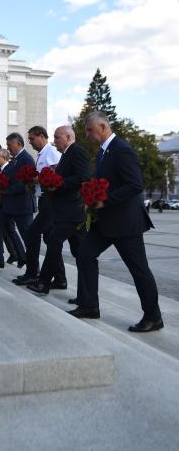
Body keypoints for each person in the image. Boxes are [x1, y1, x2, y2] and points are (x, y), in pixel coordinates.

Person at [70, 111, 163, 333]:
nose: (87, 134)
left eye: (90, 130)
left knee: (139, 270)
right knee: (84, 254)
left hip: (126, 224)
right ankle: (89, 306)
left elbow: (135, 185)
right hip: (106, 221)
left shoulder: (122, 150)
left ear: (103, 127)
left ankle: (153, 317)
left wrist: (104, 201)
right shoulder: (104, 152)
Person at [28, 125, 91, 296]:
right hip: (66, 210)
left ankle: (43, 283)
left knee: (54, 241)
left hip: (71, 210)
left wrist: (58, 183)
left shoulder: (76, 151)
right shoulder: (67, 154)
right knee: (79, 252)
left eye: (57, 137)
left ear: (69, 138)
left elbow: (83, 176)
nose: (54, 141)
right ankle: (83, 295)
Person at [12, 125, 62, 287]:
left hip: (51, 200)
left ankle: (33, 273)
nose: (31, 143)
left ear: (42, 136)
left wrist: (36, 180)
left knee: (33, 233)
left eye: (32, 139)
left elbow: (56, 174)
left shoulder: (52, 152)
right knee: (50, 239)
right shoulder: (41, 154)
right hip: (43, 199)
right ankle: (60, 278)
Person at [0, 133, 34, 268]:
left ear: (18, 144)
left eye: (9, 145)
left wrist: (5, 191)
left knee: (28, 237)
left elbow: (25, 183)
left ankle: (33, 270)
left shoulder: (26, 159)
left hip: (20, 205)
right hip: (9, 203)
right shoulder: (16, 159)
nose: (8, 148)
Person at [0, 141, 18, 264]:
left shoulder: (9, 168)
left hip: (6, 203)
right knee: (1, 228)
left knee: (8, 229)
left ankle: (15, 255)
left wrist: (1, 193)